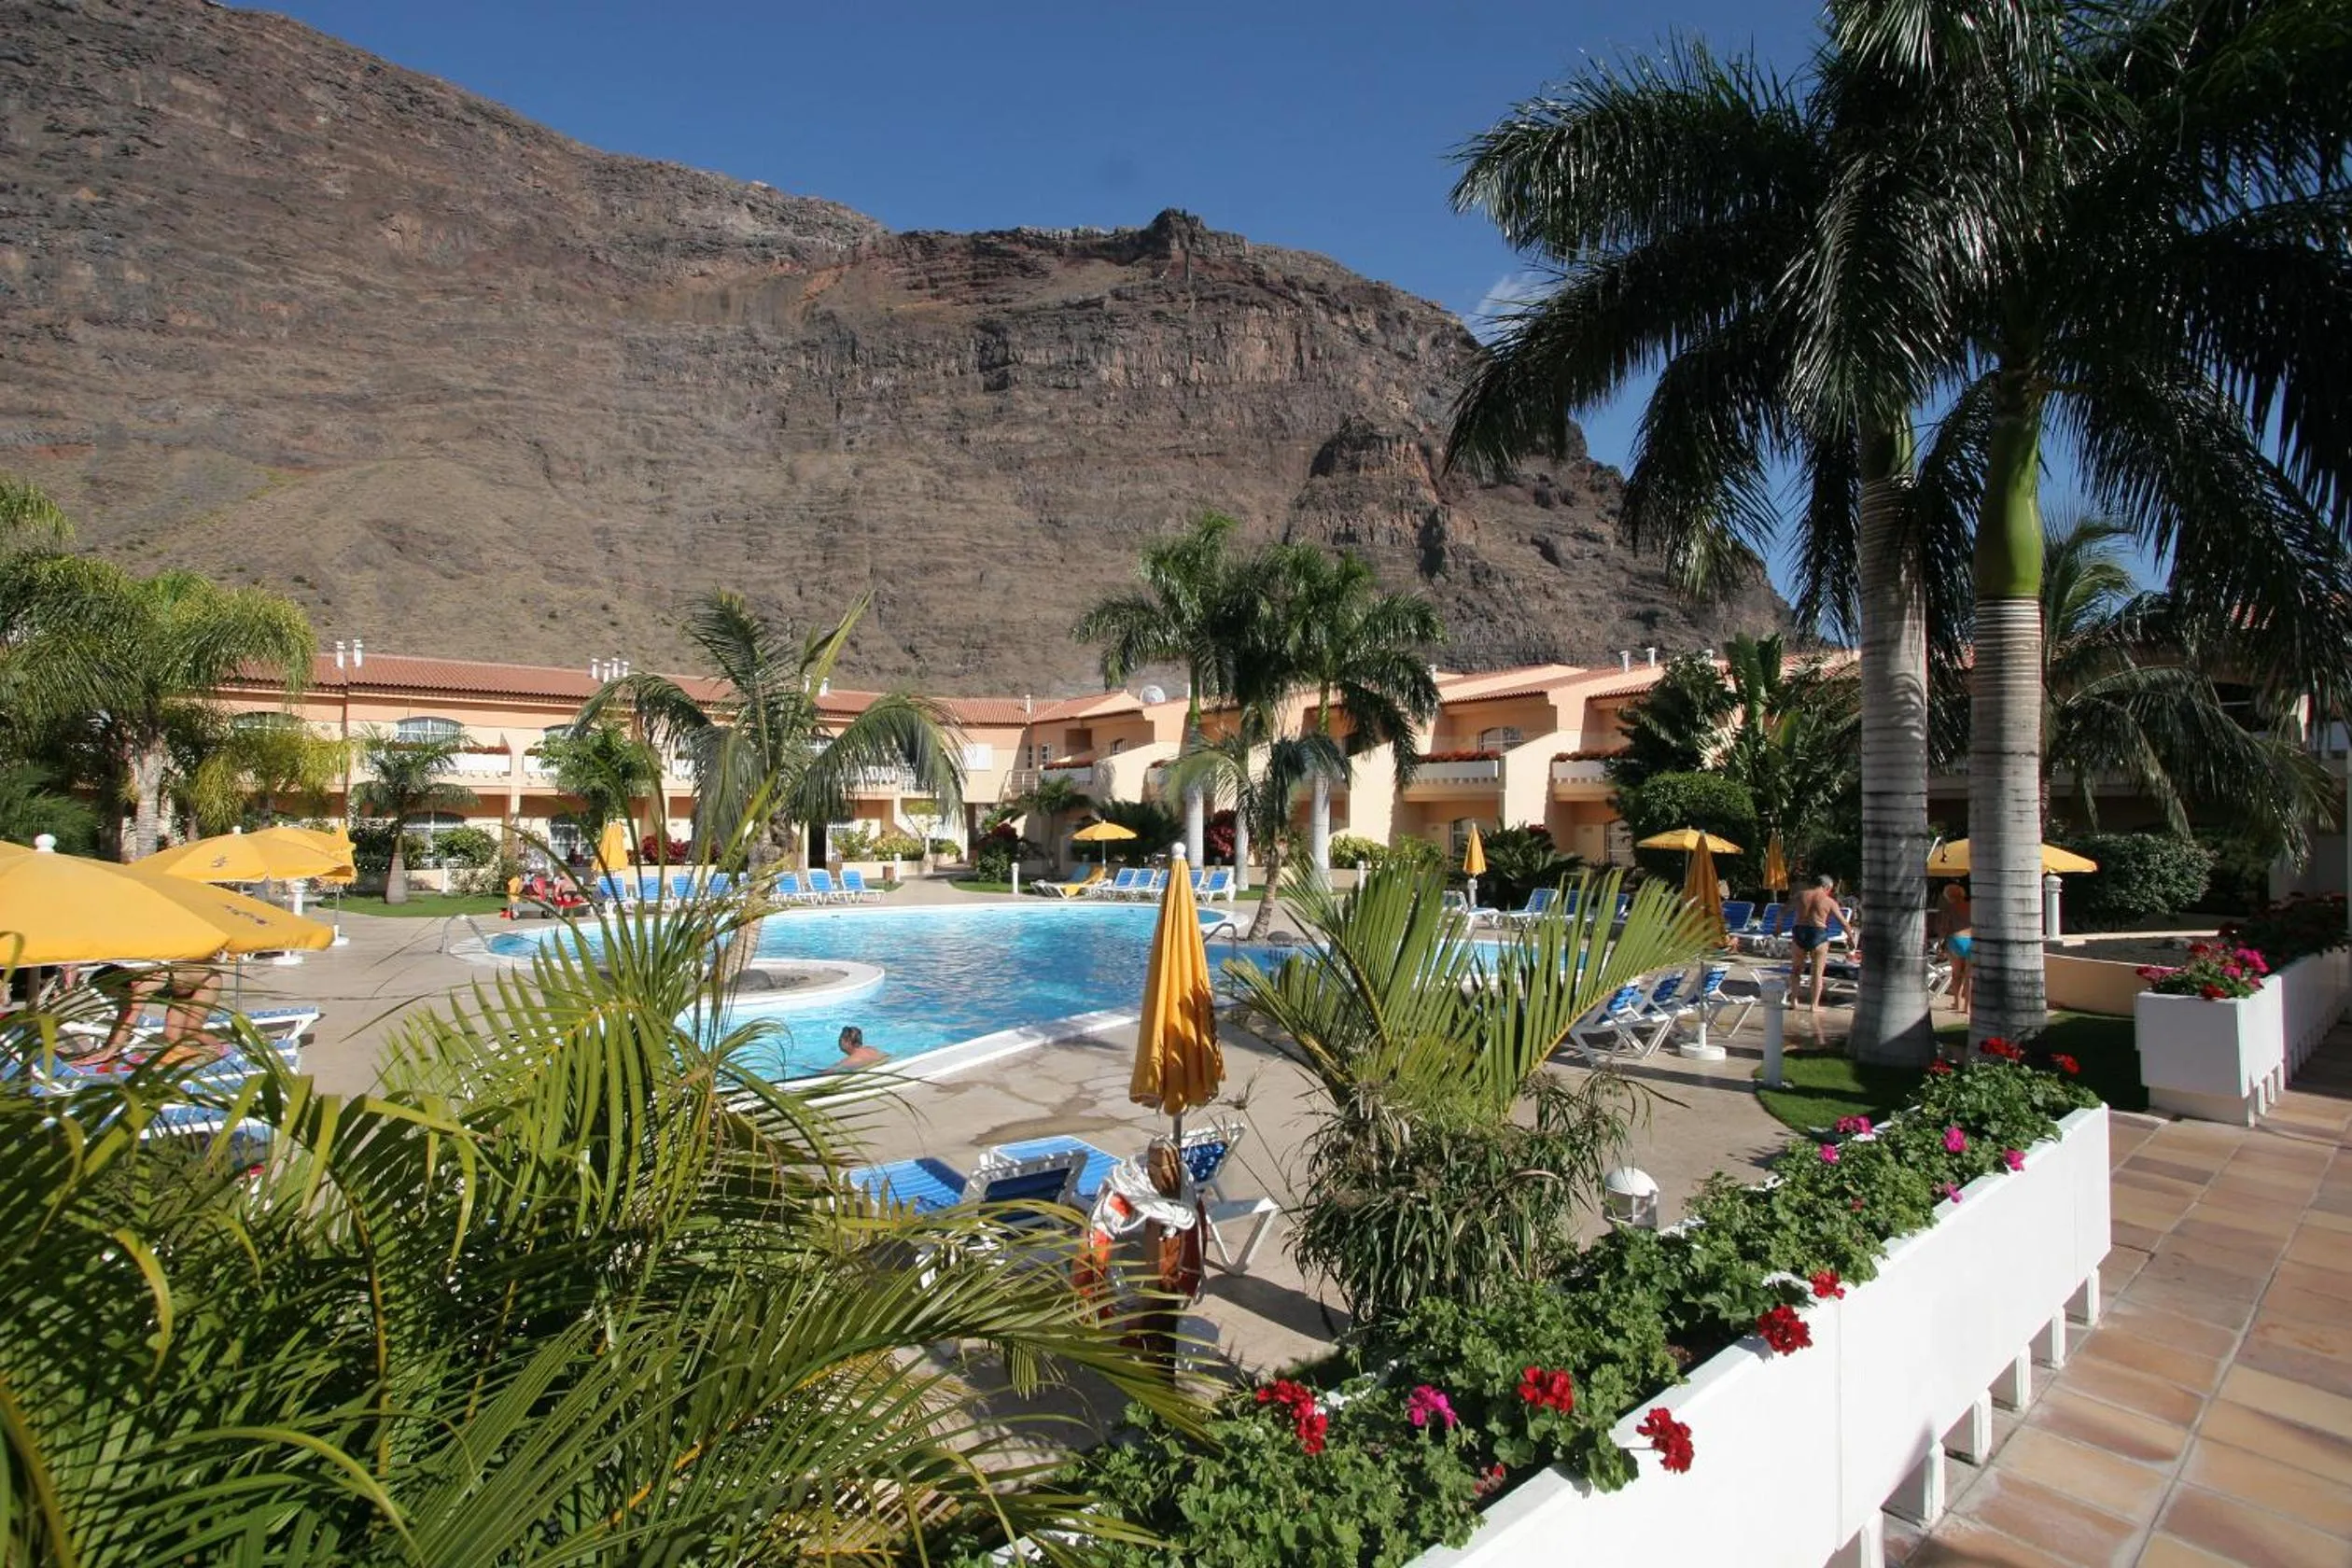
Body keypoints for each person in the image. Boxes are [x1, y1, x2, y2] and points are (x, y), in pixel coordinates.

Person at [1791, 874, 1841, 1021]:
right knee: (1817, 973)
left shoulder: (1800, 895)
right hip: (1818, 934)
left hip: (1799, 932)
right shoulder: (1828, 901)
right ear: (1827, 887)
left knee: (1795, 970)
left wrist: (1778, 928)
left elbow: (1783, 912)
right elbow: (1842, 922)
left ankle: (1794, 1001)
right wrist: (1851, 938)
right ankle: (1814, 1005)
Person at [1939, 881, 1974, 1017]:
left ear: (1948, 895)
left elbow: (1944, 928)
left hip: (1955, 940)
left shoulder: (1948, 908)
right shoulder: (1972, 906)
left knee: (1956, 974)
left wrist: (1941, 945)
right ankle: (1967, 1007)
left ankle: (1957, 1002)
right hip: (1971, 940)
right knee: (1969, 976)